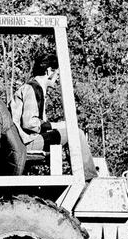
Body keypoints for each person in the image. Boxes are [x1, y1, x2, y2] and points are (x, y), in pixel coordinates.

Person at [9, 52, 97, 180]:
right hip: (26, 142)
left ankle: (84, 176)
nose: (58, 79)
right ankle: (90, 179)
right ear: (49, 71)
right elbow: (29, 123)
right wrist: (57, 125)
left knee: (68, 133)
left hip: (24, 140)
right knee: (76, 134)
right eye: (58, 75)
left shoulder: (32, 87)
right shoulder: (33, 89)